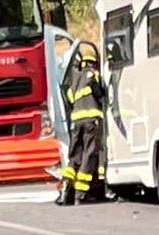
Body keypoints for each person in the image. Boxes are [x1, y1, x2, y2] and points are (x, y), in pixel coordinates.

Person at [55, 53, 105, 206]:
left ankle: (65, 190)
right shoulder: (92, 74)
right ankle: (80, 194)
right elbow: (99, 93)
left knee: (75, 156)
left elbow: (69, 100)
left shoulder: (74, 79)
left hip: (77, 122)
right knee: (89, 155)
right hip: (92, 120)